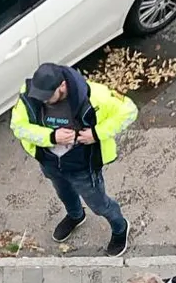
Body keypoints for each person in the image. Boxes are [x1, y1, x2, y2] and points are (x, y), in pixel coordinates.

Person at [10, 62, 139, 257]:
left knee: (99, 204)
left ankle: (120, 228)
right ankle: (76, 216)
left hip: (82, 166)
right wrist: (51, 137)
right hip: (51, 163)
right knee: (64, 193)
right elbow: (18, 126)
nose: (43, 101)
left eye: (48, 98)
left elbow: (129, 111)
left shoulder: (95, 95)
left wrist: (96, 133)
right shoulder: (31, 94)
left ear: (62, 86)